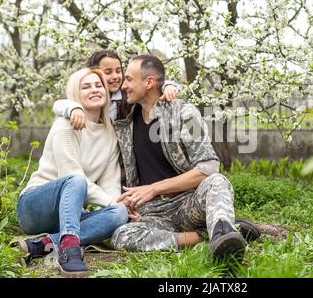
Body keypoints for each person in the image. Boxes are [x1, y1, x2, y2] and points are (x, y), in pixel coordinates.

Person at [110, 55, 260, 260]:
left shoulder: (185, 113)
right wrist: (130, 204)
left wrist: (154, 188)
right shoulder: (126, 123)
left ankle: (223, 234)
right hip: (152, 213)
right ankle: (206, 236)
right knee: (122, 236)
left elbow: (208, 167)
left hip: (188, 202)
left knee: (217, 181)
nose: (124, 85)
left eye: (128, 79)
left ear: (149, 82)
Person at [16, 68, 128, 277]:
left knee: (120, 213)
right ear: (75, 94)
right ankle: (69, 250)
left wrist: (118, 203)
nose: (95, 90)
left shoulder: (110, 132)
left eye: (98, 85)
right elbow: (72, 176)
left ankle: (46, 243)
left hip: (69, 213)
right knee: (76, 179)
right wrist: (110, 202)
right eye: (86, 87)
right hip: (34, 208)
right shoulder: (65, 125)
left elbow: (110, 180)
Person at [53, 49, 179, 129]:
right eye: (108, 72)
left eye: (118, 71)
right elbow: (60, 104)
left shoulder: (128, 95)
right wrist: (74, 109)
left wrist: (167, 86)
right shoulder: (88, 96)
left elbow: (150, 85)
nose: (115, 77)